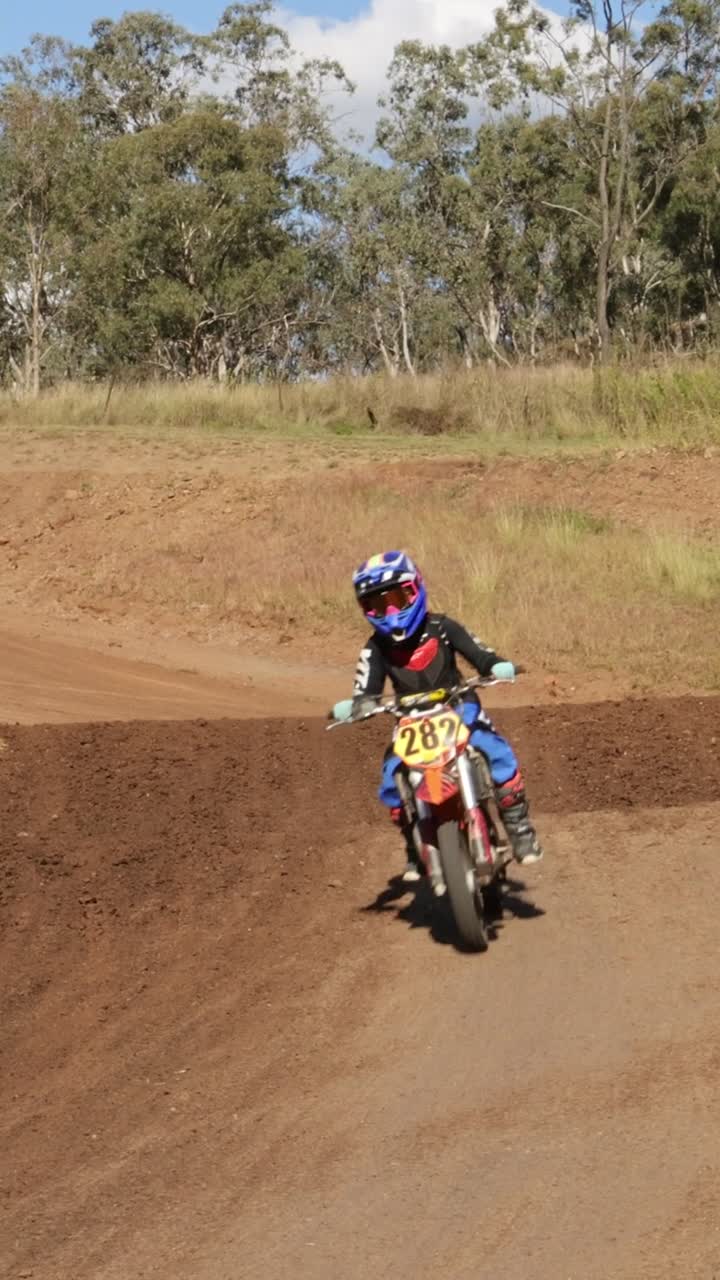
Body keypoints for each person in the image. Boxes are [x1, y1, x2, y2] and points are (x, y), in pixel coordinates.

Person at [332, 550, 543, 882]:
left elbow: (480, 654)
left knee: (498, 752)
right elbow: (367, 689)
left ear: (415, 590)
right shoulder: (375, 648)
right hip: (409, 722)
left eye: (398, 598)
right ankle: (415, 849)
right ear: (365, 610)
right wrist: (359, 704)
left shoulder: (442, 628)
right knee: (391, 778)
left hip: (459, 707)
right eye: (377, 604)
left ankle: (519, 831)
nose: (389, 611)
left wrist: (496, 666)